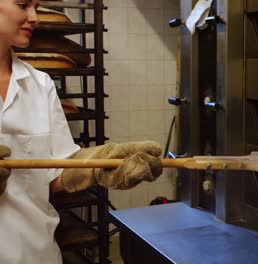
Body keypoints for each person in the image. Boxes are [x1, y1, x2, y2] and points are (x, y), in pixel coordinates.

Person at [0, 0, 163, 263]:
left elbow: (52, 176)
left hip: (35, 251)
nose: (34, 17)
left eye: (36, 6)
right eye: (22, 4)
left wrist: (97, 169)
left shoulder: (40, 85)